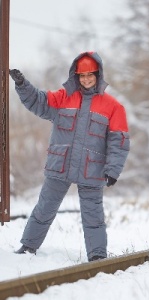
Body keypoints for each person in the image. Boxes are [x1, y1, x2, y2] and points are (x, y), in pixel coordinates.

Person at [9, 51, 130, 262]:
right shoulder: (63, 97)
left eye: (89, 75)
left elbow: (119, 141)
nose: (85, 80)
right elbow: (38, 101)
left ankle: (97, 255)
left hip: (92, 169)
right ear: (75, 76)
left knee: (93, 216)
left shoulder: (113, 106)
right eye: (81, 76)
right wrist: (22, 84)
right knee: (44, 207)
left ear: (98, 74)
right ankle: (28, 247)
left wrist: (113, 169)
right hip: (60, 165)